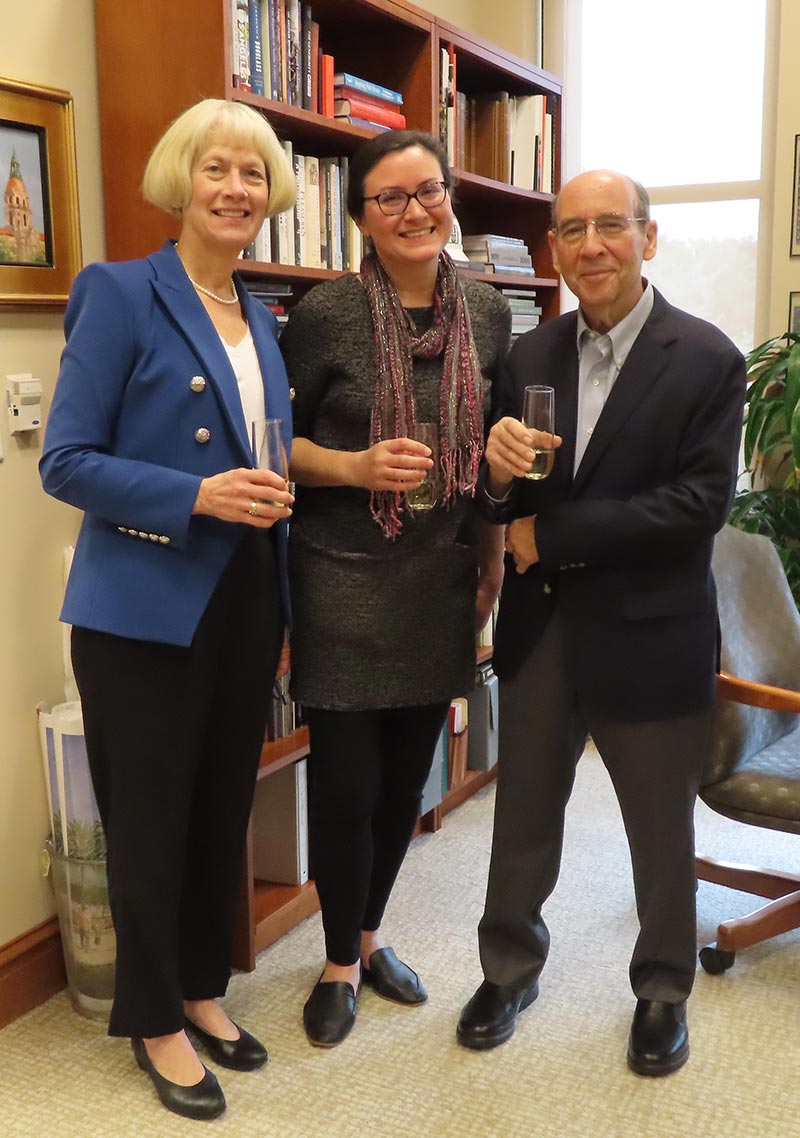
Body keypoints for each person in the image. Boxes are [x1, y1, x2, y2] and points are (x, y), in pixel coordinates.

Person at [456, 170, 746, 1077]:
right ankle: (509, 969)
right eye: (571, 230)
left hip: (650, 631)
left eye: (610, 227)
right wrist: (498, 479)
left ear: (647, 239)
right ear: (553, 250)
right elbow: (495, 491)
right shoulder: (530, 356)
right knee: (525, 812)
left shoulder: (706, 358)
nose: (590, 246)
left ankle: (662, 989)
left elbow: (695, 507)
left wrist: (549, 534)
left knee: (660, 828)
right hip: (543, 630)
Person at [40, 99, 297, 1121]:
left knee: (217, 806)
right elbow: (67, 460)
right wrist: (194, 494)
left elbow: (263, 448)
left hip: (243, 591)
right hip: (143, 597)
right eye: (217, 169)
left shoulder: (259, 311)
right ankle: (152, 1018)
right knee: (147, 818)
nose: (236, 190)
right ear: (181, 179)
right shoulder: (118, 291)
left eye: (253, 175)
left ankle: (200, 987)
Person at [279, 130, 510, 1048]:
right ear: (361, 218)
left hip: (441, 579)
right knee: (344, 785)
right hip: (340, 578)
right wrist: (354, 464)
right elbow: (276, 444)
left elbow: (496, 446)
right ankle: (338, 959)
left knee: (405, 783)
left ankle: (370, 936)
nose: (417, 211)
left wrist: (492, 561)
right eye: (391, 198)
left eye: (430, 191)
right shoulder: (324, 314)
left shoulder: (489, 313)